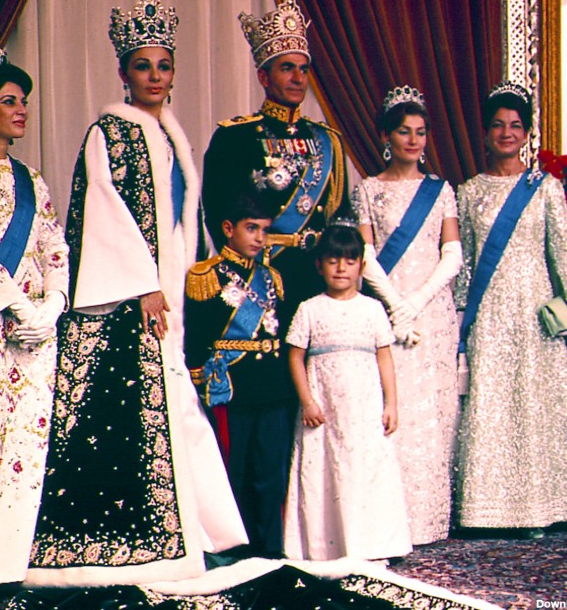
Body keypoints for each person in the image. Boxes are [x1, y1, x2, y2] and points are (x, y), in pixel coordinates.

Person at [27, 0, 246, 587]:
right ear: (124, 71)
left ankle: (206, 533)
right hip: (131, 297)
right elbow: (102, 210)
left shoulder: (172, 136)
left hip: (167, 287)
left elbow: (176, 217)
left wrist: (182, 274)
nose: (154, 76)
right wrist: (143, 285)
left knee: (179, 403)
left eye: (163, 66)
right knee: (154, 406)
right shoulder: (109, 133)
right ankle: (168, 538)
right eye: (143, 66)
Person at [454, 81, 567, 536]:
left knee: (536, 403)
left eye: (515, 125)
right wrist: (458, 319)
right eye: (498, 125)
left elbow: (562, 251)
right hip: (490, 311)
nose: (506, 133)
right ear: (485, 133)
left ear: (527, 133)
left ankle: (543, 506)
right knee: (493, 405)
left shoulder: (546, 188)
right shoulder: (469, 192)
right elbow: (466, 263)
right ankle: (487, 510)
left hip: (536, 310)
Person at [0, 45, 69, 599]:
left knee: (21, 452)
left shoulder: (32, 179)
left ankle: (2, 570)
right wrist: (20, 307)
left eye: (23, 100)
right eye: (9, 100)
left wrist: (52, 306)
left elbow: (54, 246)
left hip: (33, 339)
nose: (21, 109)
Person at [202, 0, 348, 329]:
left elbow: (341, 217)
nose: (298, 78)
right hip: (259, 280)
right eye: (287, 68)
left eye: (304, 69)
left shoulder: (327, 140)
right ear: (264, 77)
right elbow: (219, 215)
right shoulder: (235, 138)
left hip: (319, 281)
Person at [351, 85, 462, 545]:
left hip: (432, 314)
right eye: (403, 131)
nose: (413, 140)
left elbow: (452, 254)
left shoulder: (440, 190)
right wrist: (396, 303)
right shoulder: (368, 189)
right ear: (386, 136)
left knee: (433, 414)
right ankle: (390, 522)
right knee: (391, 410)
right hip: (386, 312)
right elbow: (365, 254)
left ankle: (431, 520)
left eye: (420, 132)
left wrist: (415, 302)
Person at [283, 221, 412, 561]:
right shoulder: (309, 309)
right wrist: (307, 401)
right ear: (319, 265)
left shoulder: (372, 309)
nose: (341, 268)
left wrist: (391, 404)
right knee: (326, 470)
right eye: (333, 260)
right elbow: (295, 358)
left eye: (350, 261)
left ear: (361, 266)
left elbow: (384, 357)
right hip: (324, 409)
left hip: (364, 408)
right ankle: (326, 547)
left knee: (366, 469)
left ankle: (374, 545)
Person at [184, 194, 295, 558]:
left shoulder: (271, 278)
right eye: (251, 228)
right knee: (233, 470)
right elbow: (196, 336)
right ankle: (233, 550)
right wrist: (200, 379)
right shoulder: (206, 276)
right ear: (228, 229)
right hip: (232, 387)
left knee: (270, 472)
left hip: (272, 386)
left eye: (264, 230)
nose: (260, 238)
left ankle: (270, 550)